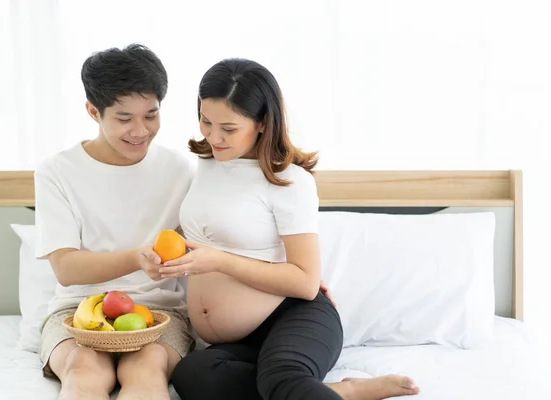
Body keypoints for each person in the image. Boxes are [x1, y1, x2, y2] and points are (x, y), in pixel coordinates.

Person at [161, 58, 421, 400]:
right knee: (194, 375)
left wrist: (220, 262)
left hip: (294, 316)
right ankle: (336, 392)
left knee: (281, 379)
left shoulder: (289, 182)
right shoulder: (207, 164)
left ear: (263, 124)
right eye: (206, 121)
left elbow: (305, 282)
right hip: (239, 340)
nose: (213, 136)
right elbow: (204, 230)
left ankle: (317, 388)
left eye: (228, 127)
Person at [34, 44, 195, 400]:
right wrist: (136, 257)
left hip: (160, 312)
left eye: (151, 115)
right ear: (94, 111)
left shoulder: (180, 170)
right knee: (84, 368)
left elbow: (216, 238)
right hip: (77, 309)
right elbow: (67, 269)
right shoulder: (57, 172)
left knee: (146, 368)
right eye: (124, 118)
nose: (140, 130)